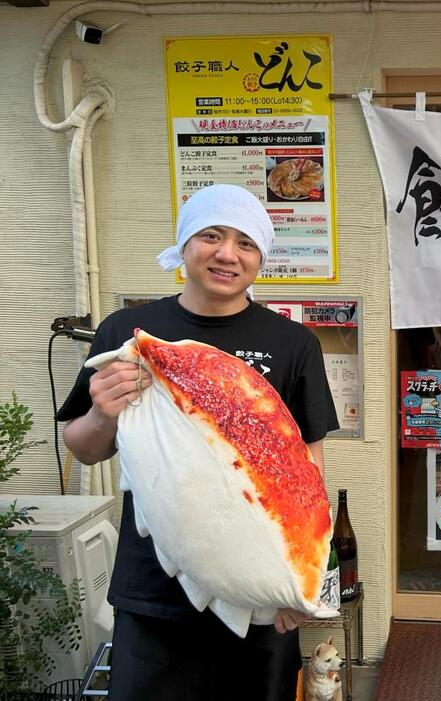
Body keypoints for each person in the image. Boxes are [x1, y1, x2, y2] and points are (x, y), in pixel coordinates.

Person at [57, 184, 339, 701]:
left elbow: (308, 474)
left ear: (261, 259)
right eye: (212, 235)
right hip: (153, 589)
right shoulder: (128, 332)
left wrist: (308, 582)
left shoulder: (293, 342)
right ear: (186, 243)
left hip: (257, 589)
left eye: (246, 243)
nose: (227, 253)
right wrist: (103, 411)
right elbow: (86, 447)